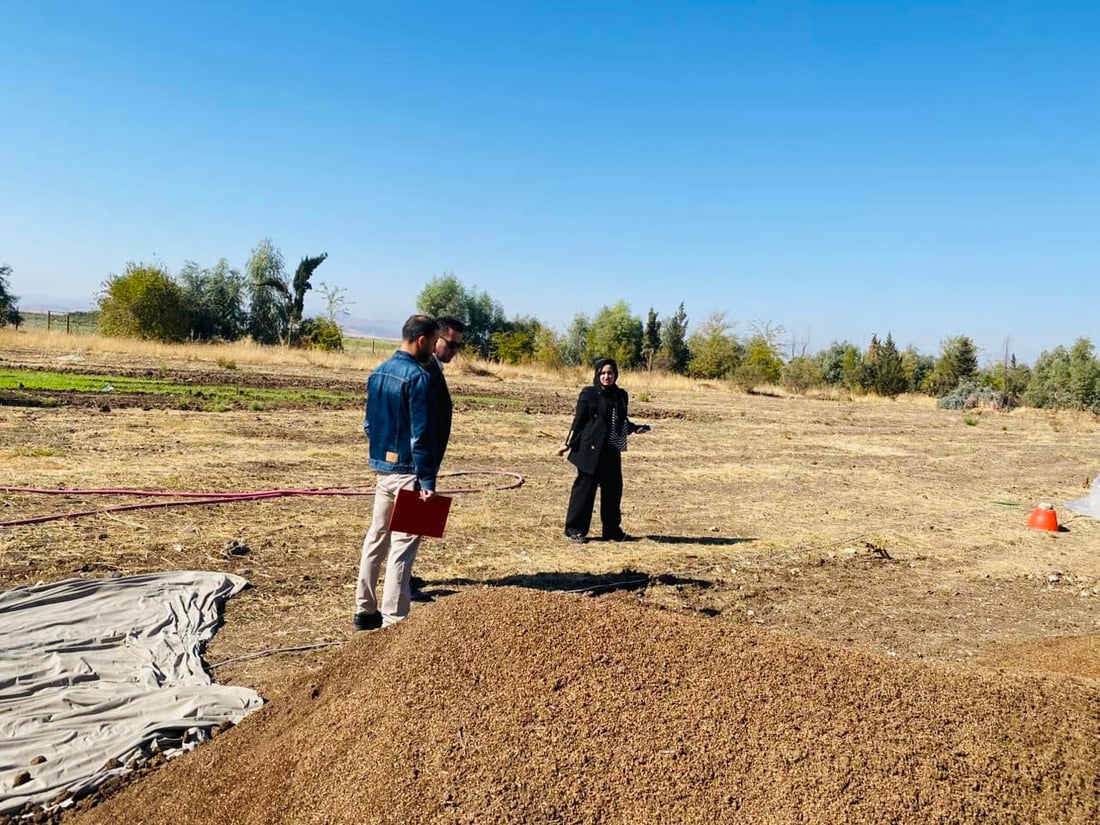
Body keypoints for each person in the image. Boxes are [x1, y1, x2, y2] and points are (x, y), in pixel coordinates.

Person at [353, 315, 441, 631]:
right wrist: (427, 480)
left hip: (382, 471)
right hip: (409, 474)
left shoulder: (378, 373)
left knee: (376, 538)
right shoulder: (419, 378)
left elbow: (368, 425)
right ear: (422, 340)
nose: (433, 349)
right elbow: (421, 434)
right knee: (403, 547)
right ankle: (394, 621)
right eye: (433, 343)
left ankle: (364, 612)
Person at [558, 357, 650, 543]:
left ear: (616, 374)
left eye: (610, 373)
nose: (607, 376)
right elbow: (579, 422)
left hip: (611, 449)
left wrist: (634, 428)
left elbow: (621, 421)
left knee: (613, 491)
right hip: (589, 450)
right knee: (585, 491)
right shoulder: (589, 394)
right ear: (597, 374)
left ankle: (612, 531)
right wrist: (568, 443)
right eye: (603, 373)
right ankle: (574, 529)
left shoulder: (621, 395)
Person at [408, 316, 466, 596]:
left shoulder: (433, 367)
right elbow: (419, 423)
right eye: (451, 344)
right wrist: (425, 470)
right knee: (409, 527)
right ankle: (403, 585)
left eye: (458, 346)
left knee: (413, 527)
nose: (454, 350)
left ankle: (405, 576)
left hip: (425, 457)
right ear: (434, 339)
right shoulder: (423, 369)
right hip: (418, 461)